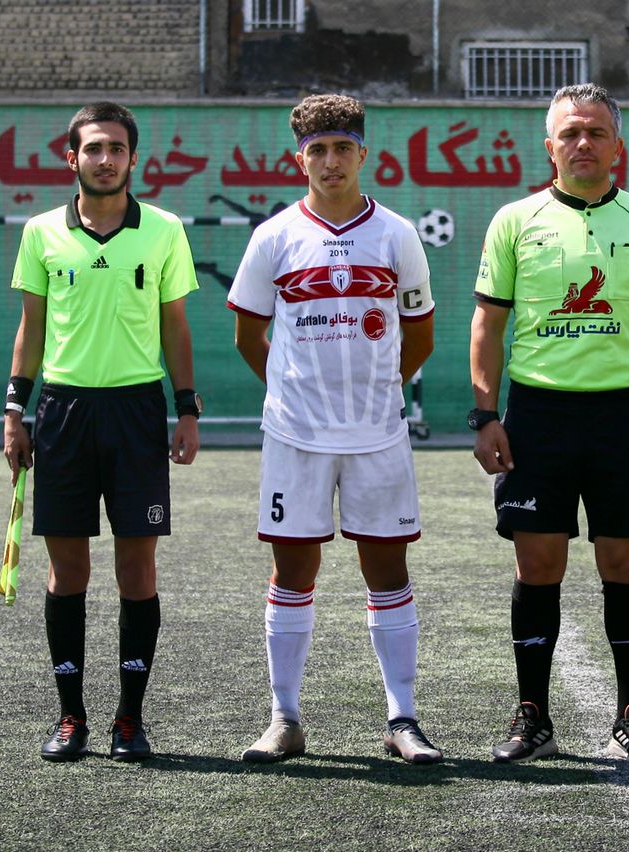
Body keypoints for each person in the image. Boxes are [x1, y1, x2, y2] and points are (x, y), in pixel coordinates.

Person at [470, 83, 629, 764]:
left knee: (626, 562)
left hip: (624, 416)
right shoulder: (516, 219)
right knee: (538, 563)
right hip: (537, 416)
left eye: (596, 132)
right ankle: (532, 715)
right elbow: (488, 324)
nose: (583, 143)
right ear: (550, 146)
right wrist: (486, 415)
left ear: (617, 145)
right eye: (570, 132)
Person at [227, 94, 440, 765]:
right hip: (296, 436)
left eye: (342, 148)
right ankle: (284, 718)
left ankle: (402, 718)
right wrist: (294, 393)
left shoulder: (397, 235)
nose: (330, 161)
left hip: (378, 436)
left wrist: (377, 392)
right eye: (317, 150)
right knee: (293, 570)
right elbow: (248, 336)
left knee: (387, 569)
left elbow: (421, 335)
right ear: (300, 160)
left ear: (363, 154)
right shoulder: (273, 237)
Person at [2, 101, 202, 763]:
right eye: (93, 148)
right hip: (62, 414)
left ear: (133, 158)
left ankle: (129, 719)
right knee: (68, 572)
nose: (105, 159)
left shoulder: (164, 230)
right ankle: (71, 717)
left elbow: (175, 326)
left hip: (138, 414)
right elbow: (31, 328)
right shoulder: (41, 232)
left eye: (116, 148)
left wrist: (187, 409)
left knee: (137, 570)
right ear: (72, 157)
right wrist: (14, 412)